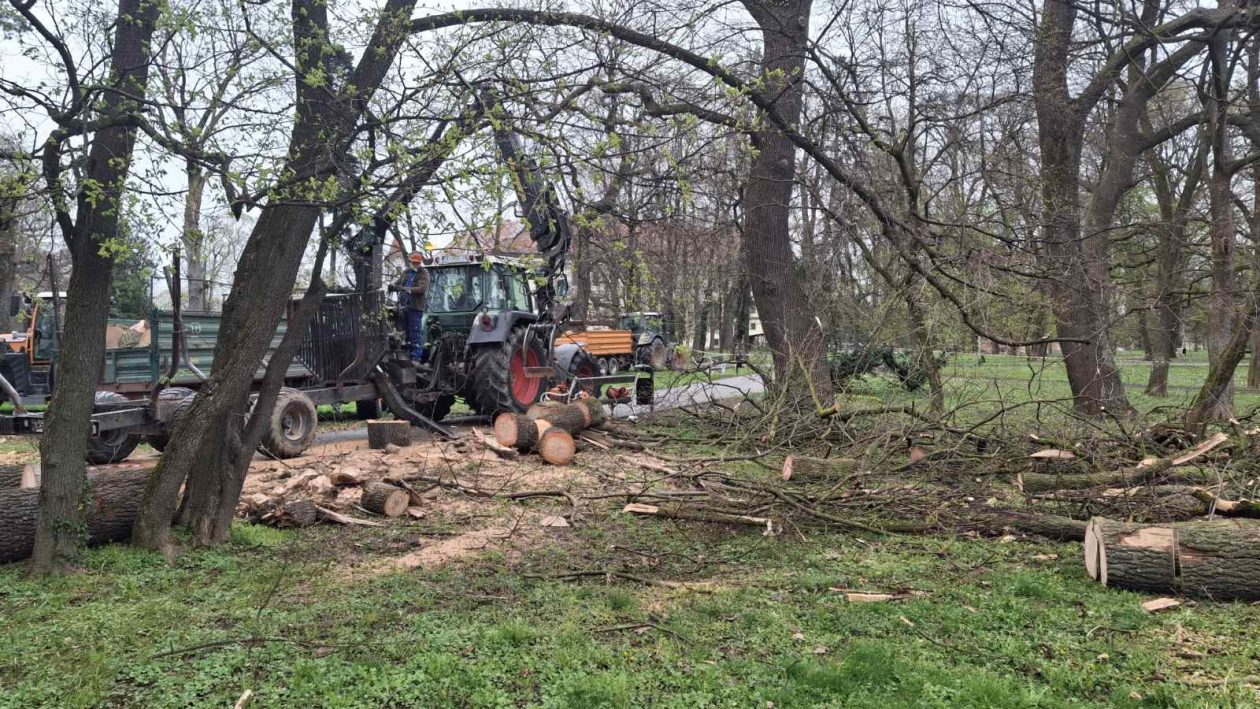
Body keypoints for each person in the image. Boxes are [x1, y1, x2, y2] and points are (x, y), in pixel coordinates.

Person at [390, 252, 430, 359]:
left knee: (415, 332)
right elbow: (398, 283)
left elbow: (421, 289)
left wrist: (407, 289)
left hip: (416, 308)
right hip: (404, 307)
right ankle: (407, 355)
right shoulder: (406, 273)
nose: (416, 264)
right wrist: (393, 286)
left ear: (420, 263)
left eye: (417, 263)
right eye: (414, 262)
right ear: (411, 262)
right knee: (404, 332)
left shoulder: (423, 274)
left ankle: (416, 356)